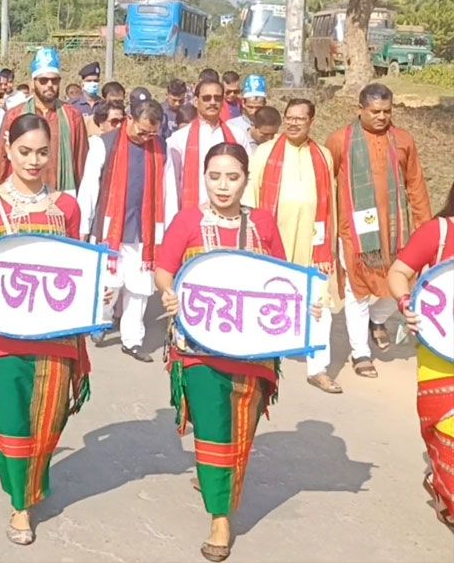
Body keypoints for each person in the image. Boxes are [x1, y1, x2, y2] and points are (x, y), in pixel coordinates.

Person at [155, 143, 318, 562]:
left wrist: (307, 300)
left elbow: (282, 277)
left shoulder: (262, 223)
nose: (223, 186)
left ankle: (217, 485)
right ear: (203, 178)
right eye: (214, 177)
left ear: (247, 179)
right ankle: (220, 518)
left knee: (241, 433)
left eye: (232, 177)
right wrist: (168, 293)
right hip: (198, 350)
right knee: (212, 430)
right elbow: (163, 268)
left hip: (254, 352)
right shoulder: (187, 221)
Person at [0, 113, 93, 546]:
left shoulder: (66, 207)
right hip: (5, 332)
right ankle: (21, 503)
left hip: (56, 333)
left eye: (42, 152)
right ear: (7, 152)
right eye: (24, 152)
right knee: (13, 419)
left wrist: (96, 293)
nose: (34, 161)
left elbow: (76, 266)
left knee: (48, 419)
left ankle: (34, 480)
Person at [326, 83, 432, 378]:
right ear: (359, 110)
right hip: (354, 232)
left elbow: (415, 185)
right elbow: (327, 184)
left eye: (387, 111)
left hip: (395, 229)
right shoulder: (339, 141)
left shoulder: (403, 140)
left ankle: (377, 319)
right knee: (356, 289)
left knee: (401, 280)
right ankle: (361, 352)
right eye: (375, 111)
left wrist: (425, 230)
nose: (381, 117)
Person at [245, 98, 342, 393]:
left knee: (319, 303)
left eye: (300, 118)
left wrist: (330, 246)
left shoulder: (323, 155)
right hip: (274, 241)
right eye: (289, 117)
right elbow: (251, 195)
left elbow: (331, 204)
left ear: (311, 121)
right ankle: (259, 359)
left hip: (315, 244)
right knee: (267, 298)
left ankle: (318, 368)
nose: (293, 122)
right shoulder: (265, 152)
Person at [78, 99, 178, 363]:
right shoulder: (104, 143)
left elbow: (169, 195)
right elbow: (89, 188)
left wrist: (169, 233)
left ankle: (132, 340)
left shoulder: (161, 150)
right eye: (142, 131)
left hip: (145, 232)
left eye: (152, 133)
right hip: (109, 227)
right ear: (129, 119)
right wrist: (83, 226)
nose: (146, 138)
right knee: (109, 282)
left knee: (140, 288)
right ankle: (100, 322)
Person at [387, 180, 454, 529]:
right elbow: (398, 273)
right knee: (447, 436)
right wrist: (405, 303)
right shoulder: (438, 232)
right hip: (441, 357)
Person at [0, 47, 88, 193]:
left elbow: (82, 163)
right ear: (33, 82)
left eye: (54, 80)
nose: (49, 85)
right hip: (21, 198)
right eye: (43, 80)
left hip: (61, 197)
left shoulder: (73, 116)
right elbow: (2, 162)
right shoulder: (14, 115)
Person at [167, 79, 240, 211]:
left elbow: (244, 177)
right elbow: (172, 185)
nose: (212, 102)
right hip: (191, 215)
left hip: (228, 214)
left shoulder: (238, 136)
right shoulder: (178, 139)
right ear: (196, 101)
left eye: (217, 98)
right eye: (206, 98)